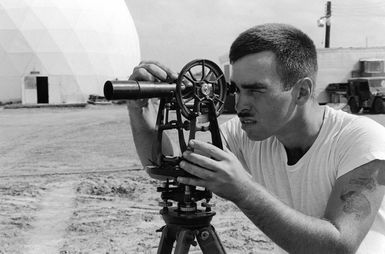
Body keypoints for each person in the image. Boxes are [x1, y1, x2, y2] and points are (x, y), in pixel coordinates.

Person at [127, 23, 385, 254]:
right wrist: (140, 112)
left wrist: (244, 191)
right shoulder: (245, 133)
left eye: (255, 91)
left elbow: (338, 247)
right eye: (236, 90)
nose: (240, 105)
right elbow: (174, 170)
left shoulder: (361, 139)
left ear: (302, 91)